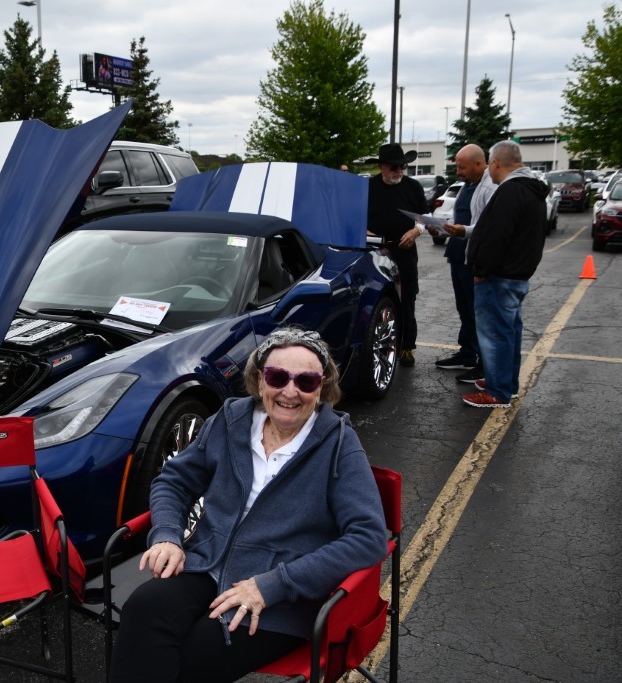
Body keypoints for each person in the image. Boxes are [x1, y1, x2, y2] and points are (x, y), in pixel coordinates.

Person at [109, 328, 388, 682]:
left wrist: (274, 585)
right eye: (278, 377)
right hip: (207, 563)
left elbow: (368, 537)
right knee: (142, 609)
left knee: (190, 656)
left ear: (322, 388)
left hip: (280, 595)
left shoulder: (339, 445)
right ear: (259, 380)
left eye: (306, 381)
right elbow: (174, 480)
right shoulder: (230, 421)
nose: (290, 391)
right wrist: (167, 534)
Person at [463, 140, 547, 408]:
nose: (490, 170)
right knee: (509, 332)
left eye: (490, 164)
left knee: (495, 334)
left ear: (496, 163)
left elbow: (495, 236)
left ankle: (497, 392)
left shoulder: (510, 191)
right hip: (516, 275)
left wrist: (481, 270)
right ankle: (505, 383)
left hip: (498, 277)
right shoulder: (532, 191)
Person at [435, 143, 497, 385]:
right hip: (458, 254)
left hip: (474, 257)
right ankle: (468, 353)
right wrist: (442, 228)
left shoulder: (490, 187)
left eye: (462, 167)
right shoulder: (466, 186)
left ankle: (483, 365)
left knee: (478, 311)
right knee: (464, 308)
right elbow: (459, 216)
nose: (458, 172)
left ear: (479, 164)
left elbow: (487, 226)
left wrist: (463, 230)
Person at [365, 143, 429, 367]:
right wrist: (365, 231)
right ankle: (379, 345)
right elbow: (354, 215)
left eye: (402, 166)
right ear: (381, 167)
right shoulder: (368, 187)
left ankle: (407, 346)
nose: (399, 171)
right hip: (375, 251)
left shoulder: (413, 187)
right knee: (376, 298)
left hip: (404, 250)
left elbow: (424, 217)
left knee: (407, 298)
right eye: (394, 167)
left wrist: (415, 231)